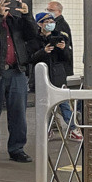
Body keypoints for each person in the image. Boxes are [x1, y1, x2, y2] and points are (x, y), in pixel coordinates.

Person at [0, 0, 42, 162]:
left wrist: (27, 15)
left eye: (7, 1)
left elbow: (32, 35)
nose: (4, 4)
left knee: (18, 113)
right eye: (0, 1)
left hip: (17, 72)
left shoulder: (16, 22)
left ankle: (17, 149)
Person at [33, 12, 82, 141]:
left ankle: (73, 128)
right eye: (46, 22)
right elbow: (31, 58)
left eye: (51, 21)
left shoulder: (60, 36)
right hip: (43, 76)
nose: (50, 24)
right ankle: (47, 129)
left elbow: (67, 58)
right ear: (39, 24)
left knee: (64, 103)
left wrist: (64, 48)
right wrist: (43, 52)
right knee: (45, 105)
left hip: (58, 75)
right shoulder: (34, 38)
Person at [44, 1, 74, 76]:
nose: (48, 12)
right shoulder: (54, 23)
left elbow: (61, 45)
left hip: (59, 64)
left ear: (59, 11)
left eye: (51, 10)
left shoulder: (61, 25)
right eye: (47, 10)